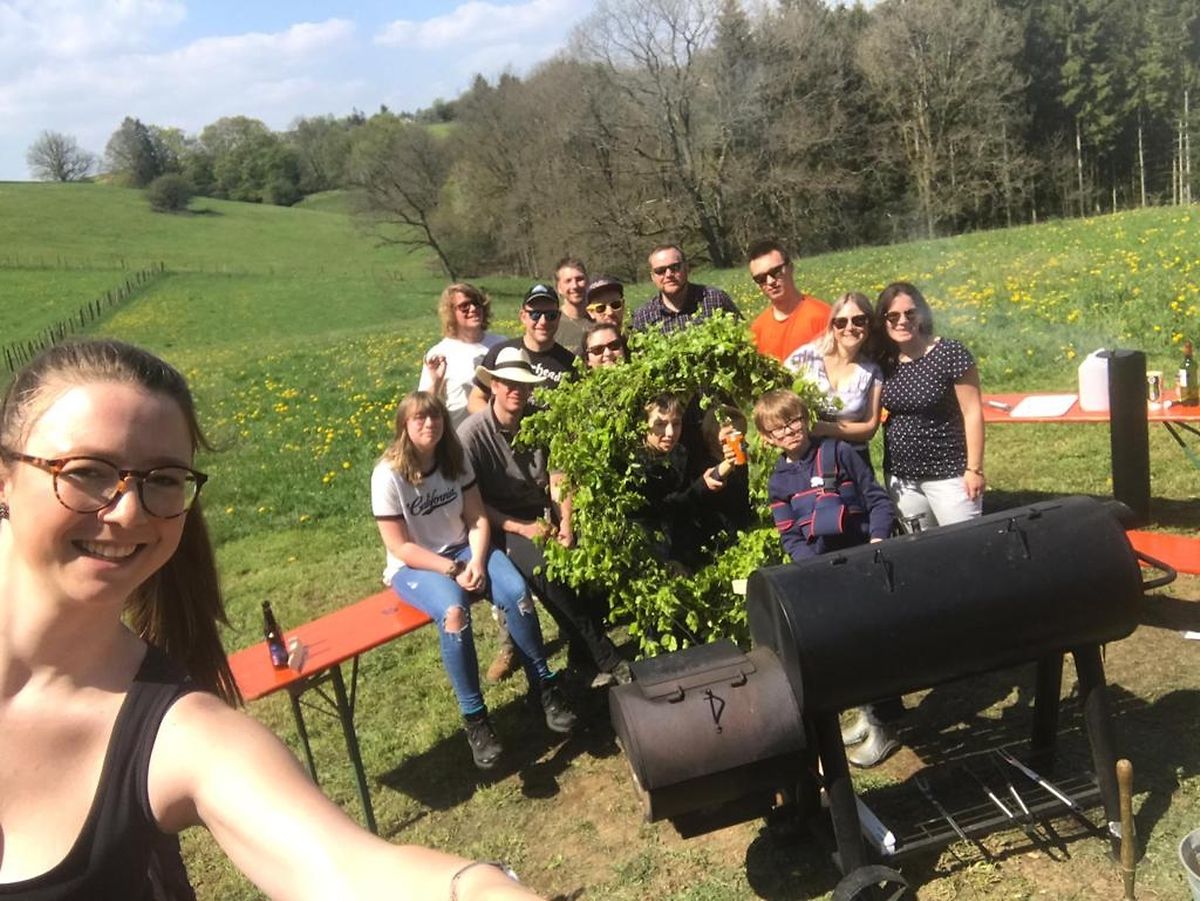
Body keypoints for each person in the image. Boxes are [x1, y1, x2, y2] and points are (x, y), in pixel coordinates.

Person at [0, 339, 536, 899]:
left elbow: (343, 872)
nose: (130, 510)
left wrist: (475, 889)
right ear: (5, 476)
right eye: (86, 471)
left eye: (162, 479)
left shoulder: (176, 731)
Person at [371, 391, 576, 771]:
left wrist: (477, 561)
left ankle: (544, 687)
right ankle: (476, 719)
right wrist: (452, 570)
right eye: (419, 419)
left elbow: (477, 518)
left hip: (466, 549)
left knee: (517, 593)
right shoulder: (387, 475)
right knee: (453, 613)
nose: (429, 424)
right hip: (416, 565)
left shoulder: (454, 458)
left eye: (435, 417)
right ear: (403, 426)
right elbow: (399, 547)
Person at [458, 347, 630, 688]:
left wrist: (566, 523)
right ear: (494, 386)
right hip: (497, 523)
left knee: (592, 558)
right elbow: (473, 507)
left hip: (543, 512)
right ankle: (605, 654)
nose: (516, 391)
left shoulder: (542, 419)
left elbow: (558, 478)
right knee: (546, 572)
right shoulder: (471, 435)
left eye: (523, 384)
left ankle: (582, 659)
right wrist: (523, 528)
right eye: (508, 383)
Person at [753, 388, 899, 768]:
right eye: (779, 428)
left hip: (861, 562)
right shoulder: (778, 482)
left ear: (806, 419)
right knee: (845, 648)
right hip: (823, 574)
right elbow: (790, 536)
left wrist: (877, 540)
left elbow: (877, 500)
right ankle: (867, 711)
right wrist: (810, 569)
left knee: (871, 642)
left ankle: (883, 724)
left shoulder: (839, 452)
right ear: (767, 438)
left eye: (794, 421)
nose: (789, 431)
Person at [876, 282, 985, 529]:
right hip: (902, 480)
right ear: (883, 321)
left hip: (950, 475)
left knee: (964, 545)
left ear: (922, 314)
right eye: (893, 316)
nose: (902, 321)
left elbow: (972, 412)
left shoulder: (950, 353)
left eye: (910, 313)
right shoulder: (885, 361)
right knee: (920, 547)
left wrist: (974, 469)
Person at [635, 394, 745, 573]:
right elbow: (662, 510)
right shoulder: (634, 465)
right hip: (645, 553)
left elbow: (685, 511)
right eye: (660, 424)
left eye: (676, 424)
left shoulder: (680, 453)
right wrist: (701, 486)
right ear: (643, 425)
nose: (670, 433)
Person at [784, 292, 884, 469]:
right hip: (807, 459)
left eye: (859, 320)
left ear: (869, 323)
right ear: (832, 326)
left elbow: (869, 427)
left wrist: (824, 429)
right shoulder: (806, 357)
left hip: (853, 461)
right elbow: (777, 396)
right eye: (841, 322)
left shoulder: (872, 371)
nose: (850, 327)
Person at [467, 284, 576, 414]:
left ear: (558, 318)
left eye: (551, 315)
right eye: (535, 314)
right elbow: (476, 399)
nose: (543, 321)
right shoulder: (502, 353)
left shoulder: (570, 363)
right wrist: (497, 422)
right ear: (523, 316)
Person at [419, 282, 506, 429]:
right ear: (451, 313)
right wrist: (436, 382)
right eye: (464, 306)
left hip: (498, 432)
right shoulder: (439, 353)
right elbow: (422, 405)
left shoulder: (501, 344)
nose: (473, 309)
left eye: (477, 303)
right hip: (458, 434)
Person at [747, 239, 831, 363]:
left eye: (775, 272)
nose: (770, 282)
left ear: (790, 267)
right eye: (761, 278)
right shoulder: (757, 330)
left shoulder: (824, 317)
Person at [630, 244, 741, 334]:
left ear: (687, 268)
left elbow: (743, 336)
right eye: (660, 271)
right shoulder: (643, 317)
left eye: (675, 267)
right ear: (653, 277)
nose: (668, 274)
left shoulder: (715, 299)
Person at [553, 257, 592, 351]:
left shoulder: (599, 318)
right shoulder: (552, 323)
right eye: (568, 281)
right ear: (558, 288)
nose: (575, 286)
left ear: (587, 282)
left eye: (579, 279)